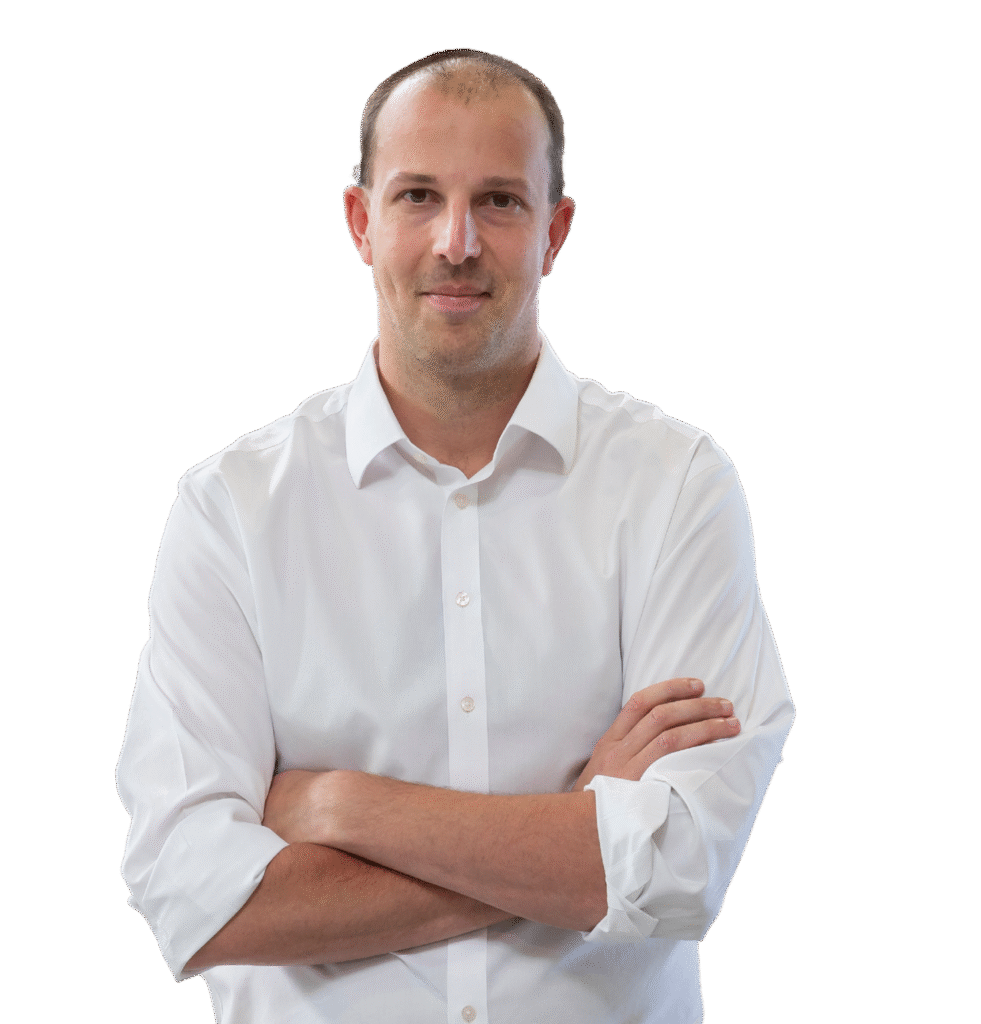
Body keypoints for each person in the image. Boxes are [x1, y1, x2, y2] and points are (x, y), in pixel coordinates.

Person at [117, 48, 794, 1023]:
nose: (457, 241)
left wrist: (345, 807)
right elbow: (195, 900)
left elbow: (679, 869)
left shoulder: (675, 488)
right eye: (418, 196)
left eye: (501, 202)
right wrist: (570, 837)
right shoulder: (232, 512)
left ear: (555, 232)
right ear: (361, 222)